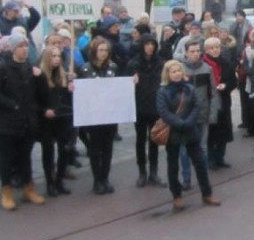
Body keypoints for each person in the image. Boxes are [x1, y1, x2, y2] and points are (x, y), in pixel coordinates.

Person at [0, 33, 45, 210]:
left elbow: (37, 93)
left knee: (25, 156)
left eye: (26, 46)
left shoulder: (28, 66)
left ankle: (28, 188)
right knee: (6, 158)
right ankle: (7, 191)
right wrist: (13, 105)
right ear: (12, 48)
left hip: (26, 121)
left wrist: (39, 77)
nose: (24, 49)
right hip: (6, 121)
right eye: (20, 46)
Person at [156, 60, 220, 211]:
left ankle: (207, 193)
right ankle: (177, 196)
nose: (177, 74)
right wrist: (180, 123)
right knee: (173, 165)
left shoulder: (190, 88)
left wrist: (188, 122)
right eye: (173, 71)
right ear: (167, 74)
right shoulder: (162, 91)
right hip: (173, 132)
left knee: (200, 163)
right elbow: (163, 112)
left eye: (179, 71)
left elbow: (197, 106)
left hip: (191, 130)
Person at [78, 37, 120, 195]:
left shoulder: (113, 67)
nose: (103, 53)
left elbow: (119, 88)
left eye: (106, 50)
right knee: (95, 149)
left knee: (108, 148)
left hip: (109, 114)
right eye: (101, 50)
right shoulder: (85, 69)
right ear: (94, 51)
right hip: (93, 116)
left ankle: (105, 177)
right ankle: (97, 180)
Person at [35, 46, 74, 198]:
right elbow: (34, 100)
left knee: (64, 150)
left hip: (62, 118)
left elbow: (67, 100)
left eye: (58, 55)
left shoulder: (64, 76)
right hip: (47, 120)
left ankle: (59, 181)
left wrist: (71, 89)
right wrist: (44, 111)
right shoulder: (40, 77)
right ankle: (50, 183)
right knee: (48, 152)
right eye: (53, 56)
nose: (57, 58)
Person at [128, 35, 166, 187]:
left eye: (153, 44)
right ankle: (142, 172)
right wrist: (133, 81)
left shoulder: (160, 62)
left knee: (154, 139)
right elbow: (126, 84)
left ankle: (154, 172)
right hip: (139, 106)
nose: (150, 47)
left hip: (155, 106)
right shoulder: (134, 63)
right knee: (140, 139)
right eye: (147, 44)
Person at [180, 41, 217, 187]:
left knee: (202, 147)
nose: (195, 54)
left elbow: (213, 93)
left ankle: (202, 178)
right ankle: (186, 178)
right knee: (184, 149)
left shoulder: (207, 69)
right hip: (185, 116)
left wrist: (213, 113)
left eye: (197, 51)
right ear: (186, 53)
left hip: (203, 112)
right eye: (192, 51)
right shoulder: (180, 69)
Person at [202, 37, 236, 169]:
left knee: (224, 130)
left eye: (217, 47)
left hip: (224, 99)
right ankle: (210, 159)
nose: (215, 50)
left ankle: (220, 157)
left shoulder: (226, 63)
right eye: (211, 48)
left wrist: (226, 86)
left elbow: (233, 81)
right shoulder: (203, 64)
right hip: (209, 101)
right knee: (211, 131)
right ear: (206, 50)